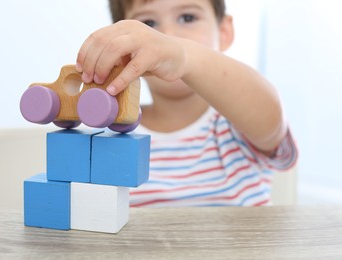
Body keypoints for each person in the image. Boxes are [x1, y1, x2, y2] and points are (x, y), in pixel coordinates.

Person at [75, 0, 298, 207]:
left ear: (224, 32)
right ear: (122, 47)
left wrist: (184, 56)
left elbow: (271, 117)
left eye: (188, 18)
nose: (167, 36)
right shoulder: (107, 133)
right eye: (148, 23)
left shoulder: (236, 122)